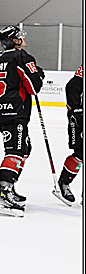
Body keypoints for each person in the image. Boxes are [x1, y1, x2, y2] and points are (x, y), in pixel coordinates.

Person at [0, 26, 45, 216]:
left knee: (24, 148)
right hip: (14, 112)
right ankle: (4, 194)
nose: (23, 38)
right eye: (20, 36)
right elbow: (34, 87)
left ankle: (9, 188)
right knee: (15, 150)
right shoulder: (22, 57)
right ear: (14, 40)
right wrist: (38, 75)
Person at [54, 64, 82, 205]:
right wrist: (76, 110)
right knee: (80, 152)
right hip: (79, 117)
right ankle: (64, 182)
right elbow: (72, 86)